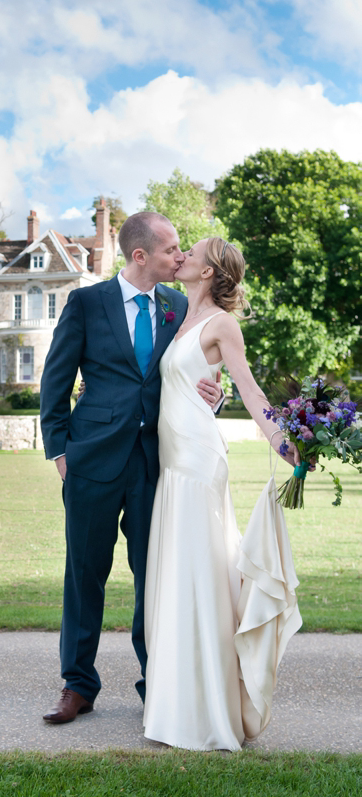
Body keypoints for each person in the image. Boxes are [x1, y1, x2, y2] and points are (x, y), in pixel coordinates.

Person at [39, 212, 223, 724]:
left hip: (154, 465)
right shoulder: (86, 302)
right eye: (171, 251)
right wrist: (60, 453)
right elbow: (55, 382)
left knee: (154, 578)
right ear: (140, 256)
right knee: (84, 576)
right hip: (91, 462)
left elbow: (194, 369)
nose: (181, 258)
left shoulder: (179, 305)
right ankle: (77, 685)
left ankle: (156, 684)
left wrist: (217, 392)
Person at [142, 236, 301, 751]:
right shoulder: (177, 315)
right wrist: (213, 390)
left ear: (209, 271)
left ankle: (208, 710)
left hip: (197, 461)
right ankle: (177, 704)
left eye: (192, 250)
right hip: (172, 462)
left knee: (200, 576)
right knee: (181, 576)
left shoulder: (222, 324)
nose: (181, 253)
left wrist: (282, 438)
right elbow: (189, 380)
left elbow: (249, 388)